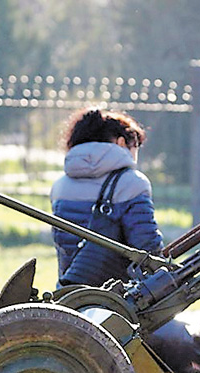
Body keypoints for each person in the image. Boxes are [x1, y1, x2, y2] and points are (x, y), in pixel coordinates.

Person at [50, 107, 163, 287]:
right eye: (135, 146)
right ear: (120, 143)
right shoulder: (132, 183)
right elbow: (146, 246)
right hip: (118, 298)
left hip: (71, 293)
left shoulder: (59, 186)